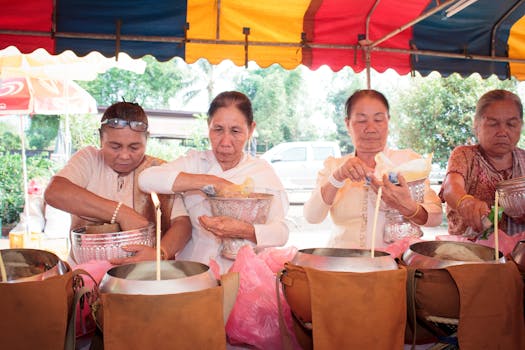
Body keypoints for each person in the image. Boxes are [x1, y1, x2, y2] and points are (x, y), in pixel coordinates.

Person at [138, 91, 289, 273]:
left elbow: (281, 232)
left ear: (251, 129)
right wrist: (210, 182)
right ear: (208, 126)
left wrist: (245, 230)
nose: (225, 142)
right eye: (218, 129)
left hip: (246, 278)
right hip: (195, 272)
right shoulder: (195, 163)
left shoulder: (261, 172)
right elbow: (146, 179)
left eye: (235, 131)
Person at [44, 101, 191, 264]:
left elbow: (183, 223)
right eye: (115, 146)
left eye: (134, 147)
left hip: (144, 275)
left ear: (146, 139)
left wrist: (160, 253)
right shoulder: (89, 160)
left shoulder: (158, 170)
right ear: (101, 138)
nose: (124, 156)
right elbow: (54, 192)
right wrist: (121, 213)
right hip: (86, 277)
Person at [303, 89, 442, 249]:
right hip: (343, 262)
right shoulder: (335, 166)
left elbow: (436, 217)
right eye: (362, 121)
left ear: (388, 121)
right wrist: (338, 177)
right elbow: (312, 216)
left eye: (378, 119)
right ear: (348, 124)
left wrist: (409, 207)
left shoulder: (408, 162)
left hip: (395, 264)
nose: (370, 128)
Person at [440, 89, 525, 237]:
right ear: (477, 125)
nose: (502, 131)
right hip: (470, 254)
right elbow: (451, 188)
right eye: (493, 124)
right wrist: (465, 202)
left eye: (511, 124)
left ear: (520, 126)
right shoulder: (465, 156)